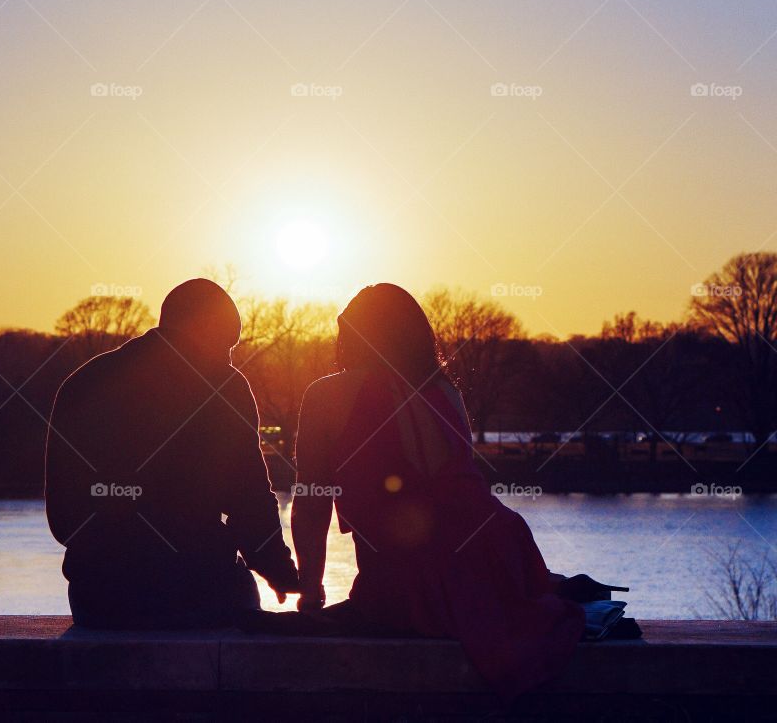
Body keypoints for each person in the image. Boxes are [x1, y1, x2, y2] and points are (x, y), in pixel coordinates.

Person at [292, 283, 597, 701]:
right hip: (502, 549)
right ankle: (544, 588)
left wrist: (311, 591)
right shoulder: (446, 392)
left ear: (350, 336)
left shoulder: (326, 395)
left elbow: (311, 502)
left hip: (410, 577)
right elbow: (457, 489)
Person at [45, 278, 299, 627]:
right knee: (242, 607)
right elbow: (249, 498)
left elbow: (62, 516)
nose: (229, 357)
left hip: (98, 596)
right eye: (229, 344)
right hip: (196, 588)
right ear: (208, 326)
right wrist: (278, 570)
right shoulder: (221, 385)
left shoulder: (82, 382)